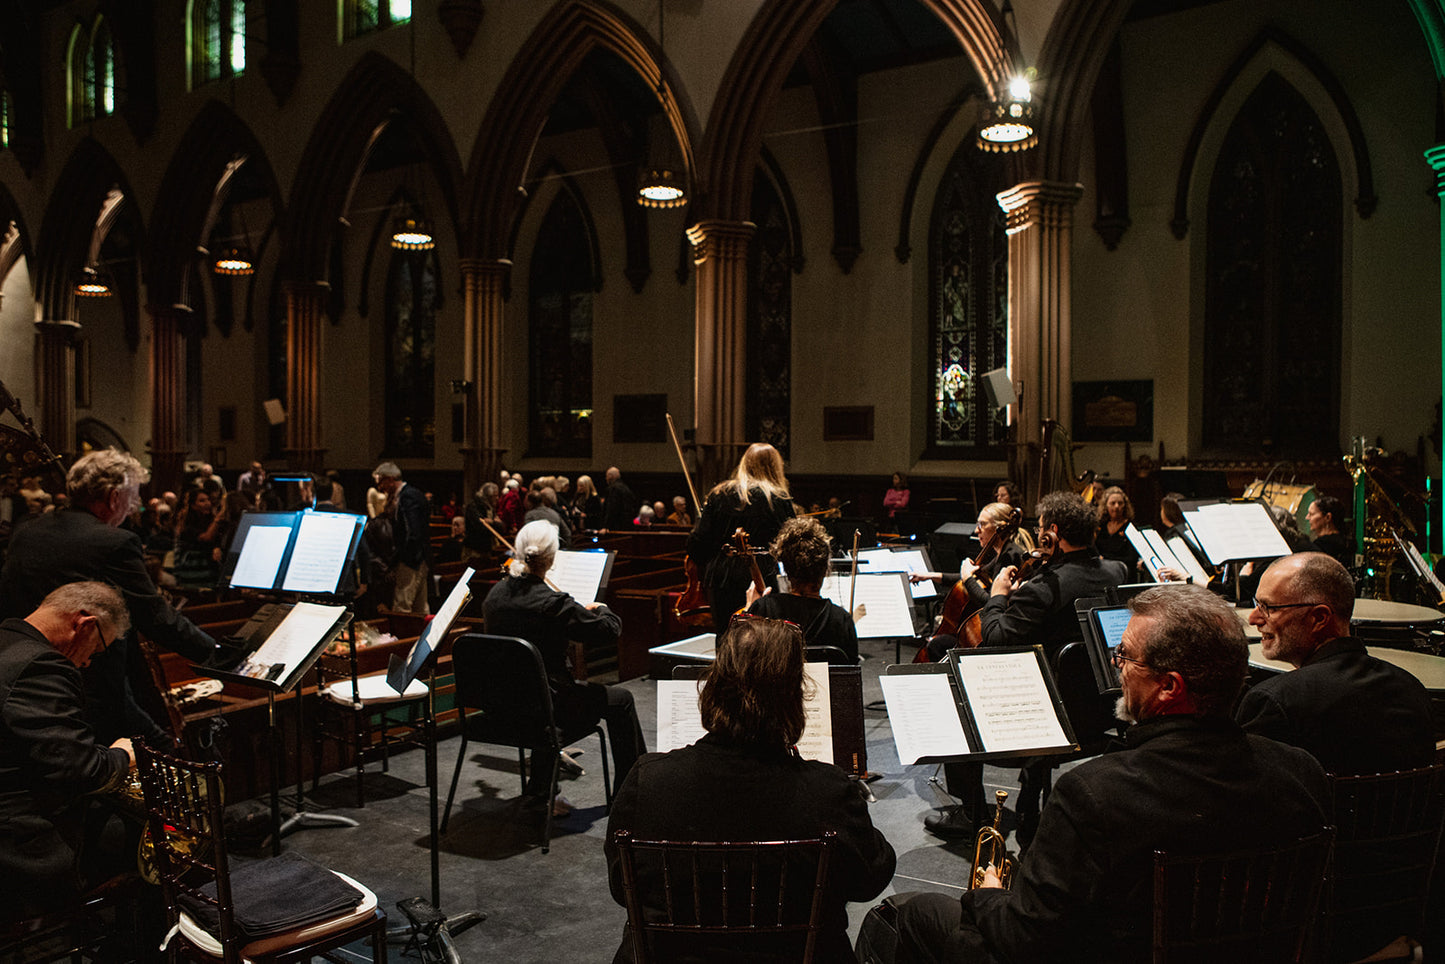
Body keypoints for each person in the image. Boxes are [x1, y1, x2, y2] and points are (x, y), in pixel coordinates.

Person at [892, 584, 1330, 964]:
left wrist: (987, 895)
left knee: (912, 913)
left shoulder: (1093, 794)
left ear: (1169, 686)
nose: (1118, 668)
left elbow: (1027, 943)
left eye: (1126, 656)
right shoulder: (1300, 770)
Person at [604, 616, 895, 963]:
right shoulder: (828, 790)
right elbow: (870, 879)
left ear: (714, 685)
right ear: (793, 698)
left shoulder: (648, 780)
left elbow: (623, 888)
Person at [926, 492, 1129, 841]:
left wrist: (1000, 596)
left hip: (1048, 720)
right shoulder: (1117, 571)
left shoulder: (1043, 588)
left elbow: (995, 638)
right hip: (1105, 713)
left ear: (1051, 532)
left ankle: (971, 811)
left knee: (954, 677)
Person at [0, 449, 216, 744]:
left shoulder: (27, 529)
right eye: (133, 496)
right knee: (164, 751)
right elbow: (156, 617)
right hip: (93, 686)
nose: (134, 505)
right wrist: (217, 655)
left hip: (23, 674)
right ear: (114, 497)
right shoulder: (114, 542)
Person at [482, 520, 645, 812]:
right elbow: (610, 629)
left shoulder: (494, 597)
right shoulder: (552, 603)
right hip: (545, 712)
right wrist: (600, 608)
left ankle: (540, 793)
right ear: (553, 558)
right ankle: (632, 792)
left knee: (536, 687)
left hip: (499, 710)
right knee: (621, 700)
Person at [0, 581, 136, 925]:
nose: (89, 662)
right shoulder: (39, 666)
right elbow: (82, 769)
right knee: (156, 851)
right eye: (98, 648)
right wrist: (123, 755)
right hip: (19, 847)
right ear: (85, 625)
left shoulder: (7, 639)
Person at [1236, 552, 1433, 776]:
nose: (1254, 618)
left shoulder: (1275, 703)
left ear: (1319, 618)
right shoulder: (1411, 689)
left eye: (1268, 608)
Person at [686, 443, 796, 636]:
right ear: (775, 467)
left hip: (722, 580)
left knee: (726, 640)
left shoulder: (719, 495)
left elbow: (697, 545)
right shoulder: (778, 499)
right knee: (764, 640)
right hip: (764, 578)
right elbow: (791, 545)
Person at [914, 501, 1031, 660]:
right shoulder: (1002, 552)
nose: (977, 530)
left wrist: (968, 577)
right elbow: (972, 577)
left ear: (999, 527)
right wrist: (930, 576)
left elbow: (991, 601)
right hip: (991, 626)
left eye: (982, 524)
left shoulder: (1009, 557)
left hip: (998, 632)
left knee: (937, 645)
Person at [746, 516, 860, 661]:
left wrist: (747, 612)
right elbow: (850, 677)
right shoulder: (841, 620)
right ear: (825, 569)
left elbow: (741, 660)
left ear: (786, 569)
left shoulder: (764, 609)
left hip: (778, 685)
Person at [373, 461, 430, 615]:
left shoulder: (407, 496)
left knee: (402, 608)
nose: (380, 488)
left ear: (390, 479)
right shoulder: (412, 494)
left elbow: (412, 531)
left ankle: (404, 638)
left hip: (411, 560)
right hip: (419, 558)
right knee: (419, 608)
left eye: (381, 482)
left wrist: (402, 558)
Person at [1093, 485, 1139, 571]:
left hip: (1123, 572)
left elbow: (1132, 559)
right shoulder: (1100, 526)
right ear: (1106, 506)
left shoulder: (1131, 528)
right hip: (1101, 571)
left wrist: (1106, 559)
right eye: (1112, 503)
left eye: (1120, 503)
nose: (1117, 506)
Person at [1306, 494, 1355, 569]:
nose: (1307, 517)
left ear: (1328, 517)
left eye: (1311, 514)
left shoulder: (1320, 546)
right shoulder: (1348, 543)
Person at [462, 482, 500, 566]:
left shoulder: (490, 508)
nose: (498, 498)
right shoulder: (473, 507)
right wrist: (494, 523)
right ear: (488, 496)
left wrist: (492, 522)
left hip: (486, 548)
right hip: (474, 549)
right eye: (495, 496)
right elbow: (480, 527)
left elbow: (501, 526)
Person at [602, 466, 640, 532]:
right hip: (627, 525)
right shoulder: (626, 488)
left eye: (607, 476)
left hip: (616, 526)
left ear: (611, 476)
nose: (606, 479)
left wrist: (606, 526)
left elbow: (612, 508)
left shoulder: (613, 489)